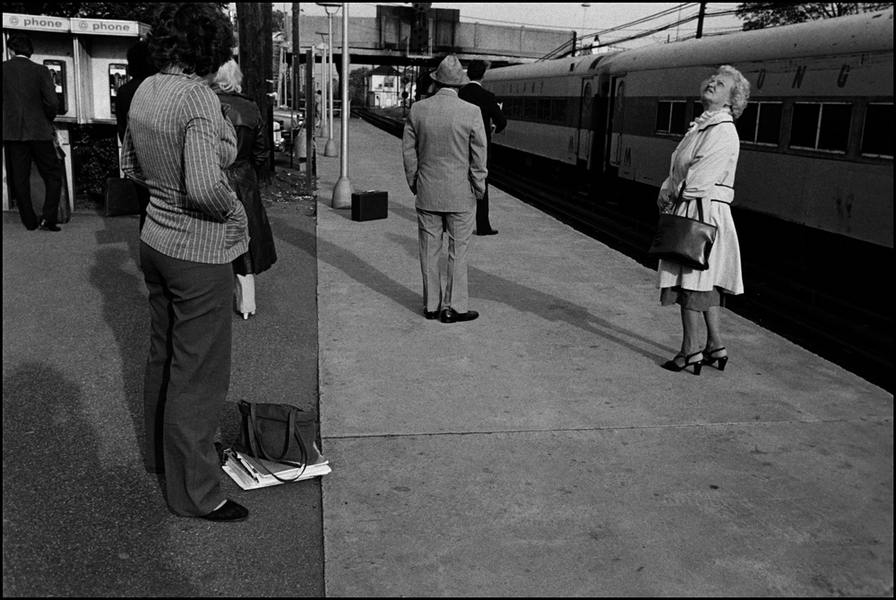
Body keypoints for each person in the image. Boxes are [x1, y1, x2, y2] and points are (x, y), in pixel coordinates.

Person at [121, 3, 250, 522]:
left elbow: (130, 165)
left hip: (154, 240)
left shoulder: (147, 89)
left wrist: (163, 193)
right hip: (195, 252)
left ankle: (161, 459)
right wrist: (233, 208)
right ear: (211, 49)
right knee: (198, 374)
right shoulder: (198, 98)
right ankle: (196, 493)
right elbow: (202, 186)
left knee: (163, 354)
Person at [656, 65, 750, 374]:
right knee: (702, 280)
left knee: (691, 282)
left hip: (701, 210)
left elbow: (700, 178)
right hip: (695, 206)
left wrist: (673, 193)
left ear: (730, 98)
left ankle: (690, 352)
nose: (711, 83)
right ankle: (715, 346)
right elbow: (680, 167)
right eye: (711, 80)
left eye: (720, 83)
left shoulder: (722, 130)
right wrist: (666, 187)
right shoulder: (704, 126)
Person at [402, 55, 488, 324]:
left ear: (436, 82)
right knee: (457, 252)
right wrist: (479, 186)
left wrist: (415, 181)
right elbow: (479, 156)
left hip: (427, 192)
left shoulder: (417, 109)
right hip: (460, 195)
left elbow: (408, 152)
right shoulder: (471, 112)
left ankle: (430, 306)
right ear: (460, 84)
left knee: (429, 250)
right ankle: (453, 308)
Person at [212, 59, 278, 320]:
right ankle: (247, 304)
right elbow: (262, 151)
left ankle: (211, 301)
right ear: (235, 77)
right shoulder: (250, 107)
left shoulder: (205, 103)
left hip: (212, 175)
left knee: (211, 239)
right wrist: (249, 171)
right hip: (243, 178)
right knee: (245, 242)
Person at [2, 33, 64, 232]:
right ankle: (48, 218)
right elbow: (53, 102)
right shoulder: (41, 70)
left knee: (20, 177)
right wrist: (48, 119)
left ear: (11, 49)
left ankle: (29, 221)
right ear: (30, 51)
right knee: (53, 173)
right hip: (40, 130)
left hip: (13, 132)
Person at [458, 59, 507, 236]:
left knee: (458, 184)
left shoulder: (459, 94)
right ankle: (483, 226)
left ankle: (454, 223)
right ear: (483, 75)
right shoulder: (488, 97)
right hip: (480, 148)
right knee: (481, 185)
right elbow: (502, 121)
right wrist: (493, 130)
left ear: (468, 74)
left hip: (459, 147)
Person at [115, 39, 159, 231]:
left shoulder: (124, 91)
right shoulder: (158, 88)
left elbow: (122, 129)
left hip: (137, 158)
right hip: (159, 157)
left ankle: (146, 254)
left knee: (145, 209)